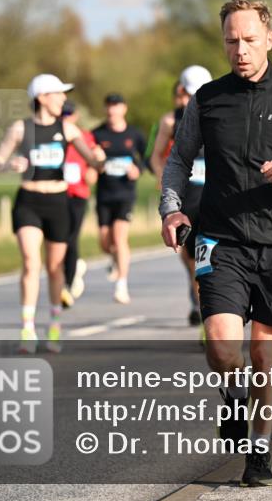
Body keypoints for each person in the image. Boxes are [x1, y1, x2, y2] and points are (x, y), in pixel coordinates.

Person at [159, 0, 272, 487]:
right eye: (230, 41)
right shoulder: (206, 100)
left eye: (248, 39)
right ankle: (234, 402)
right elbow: (179, 160)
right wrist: (172, 207)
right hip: (221, 240)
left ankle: (258, 452)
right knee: (222, 349)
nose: (239, 50)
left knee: (265, 356)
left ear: (268, 39)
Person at [0, 73, 104, 353]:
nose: (63, 98)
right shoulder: (21, 128)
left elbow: (93, 161)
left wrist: (99, 159)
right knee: (31, 263)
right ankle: (27, 328)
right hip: (28, 200)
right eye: (58, 93)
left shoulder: (68, 129)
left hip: (58, 202)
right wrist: (9, 165)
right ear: (41, 97)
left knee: (55, 268)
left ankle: (54, 324)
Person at [150, 66, 213, 326]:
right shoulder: (170, 120)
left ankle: (208, 319)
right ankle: (199, 303)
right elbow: (155, 157)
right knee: (191, 261)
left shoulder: (218, 115)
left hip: (211, 199)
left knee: (206, 261)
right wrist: (166, 182)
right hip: (185, 201)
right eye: (189, 93)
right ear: (182, 93)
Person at [92, 93, 147, 304]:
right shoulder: (97, 134)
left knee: (119, 237)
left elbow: (148, 156)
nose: (112, 110)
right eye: (109, 106)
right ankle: (115, 260)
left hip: (125, 194)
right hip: (104, 194)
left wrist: (138, 169)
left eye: (116, 106)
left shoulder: (134, 134)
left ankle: (121, 286)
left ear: (124, 109)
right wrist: (95, 161)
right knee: (105, 242)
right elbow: (88, 158)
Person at [60, 100, 97, 308]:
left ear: (75, 116)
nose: (65, 118)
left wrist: (92, 172)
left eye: (68, 115)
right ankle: (71, 272)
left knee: (71, 238)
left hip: (79, 194)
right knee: (60, 239)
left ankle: (66, 284)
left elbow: (93, 163)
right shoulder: (54, 136)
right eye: (62, 114)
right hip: (57, 194)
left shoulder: (84, 136)